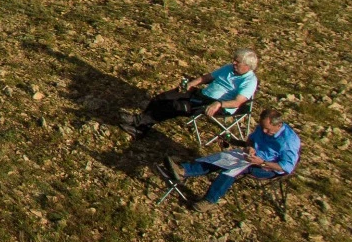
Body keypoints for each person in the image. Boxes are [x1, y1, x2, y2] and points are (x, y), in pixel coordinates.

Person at [166, 107, 300, 211]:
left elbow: (286, 167)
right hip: (252, 156)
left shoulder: (288, 142)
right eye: (263, 128)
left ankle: (209, 200)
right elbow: (251, 140)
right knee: (222, 157)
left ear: (278, 125)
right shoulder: (263, 128)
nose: (264, 131)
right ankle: (184, 170)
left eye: (268, 130)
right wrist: (250, 147)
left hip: (268, 167)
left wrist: (262, 162)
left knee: (232, 169)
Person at [124, 48, 258, 135]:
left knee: (176, 106)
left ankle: (140, 126)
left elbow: (237, 102)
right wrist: (191, 84)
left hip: (216, 105)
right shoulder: (228, 68)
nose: (233, 62)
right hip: (202, 94)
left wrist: (219, 104)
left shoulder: (250, 81)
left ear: (247, 66)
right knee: (164, 97)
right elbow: (208, 77)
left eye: (237, 62)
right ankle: (140, 123)